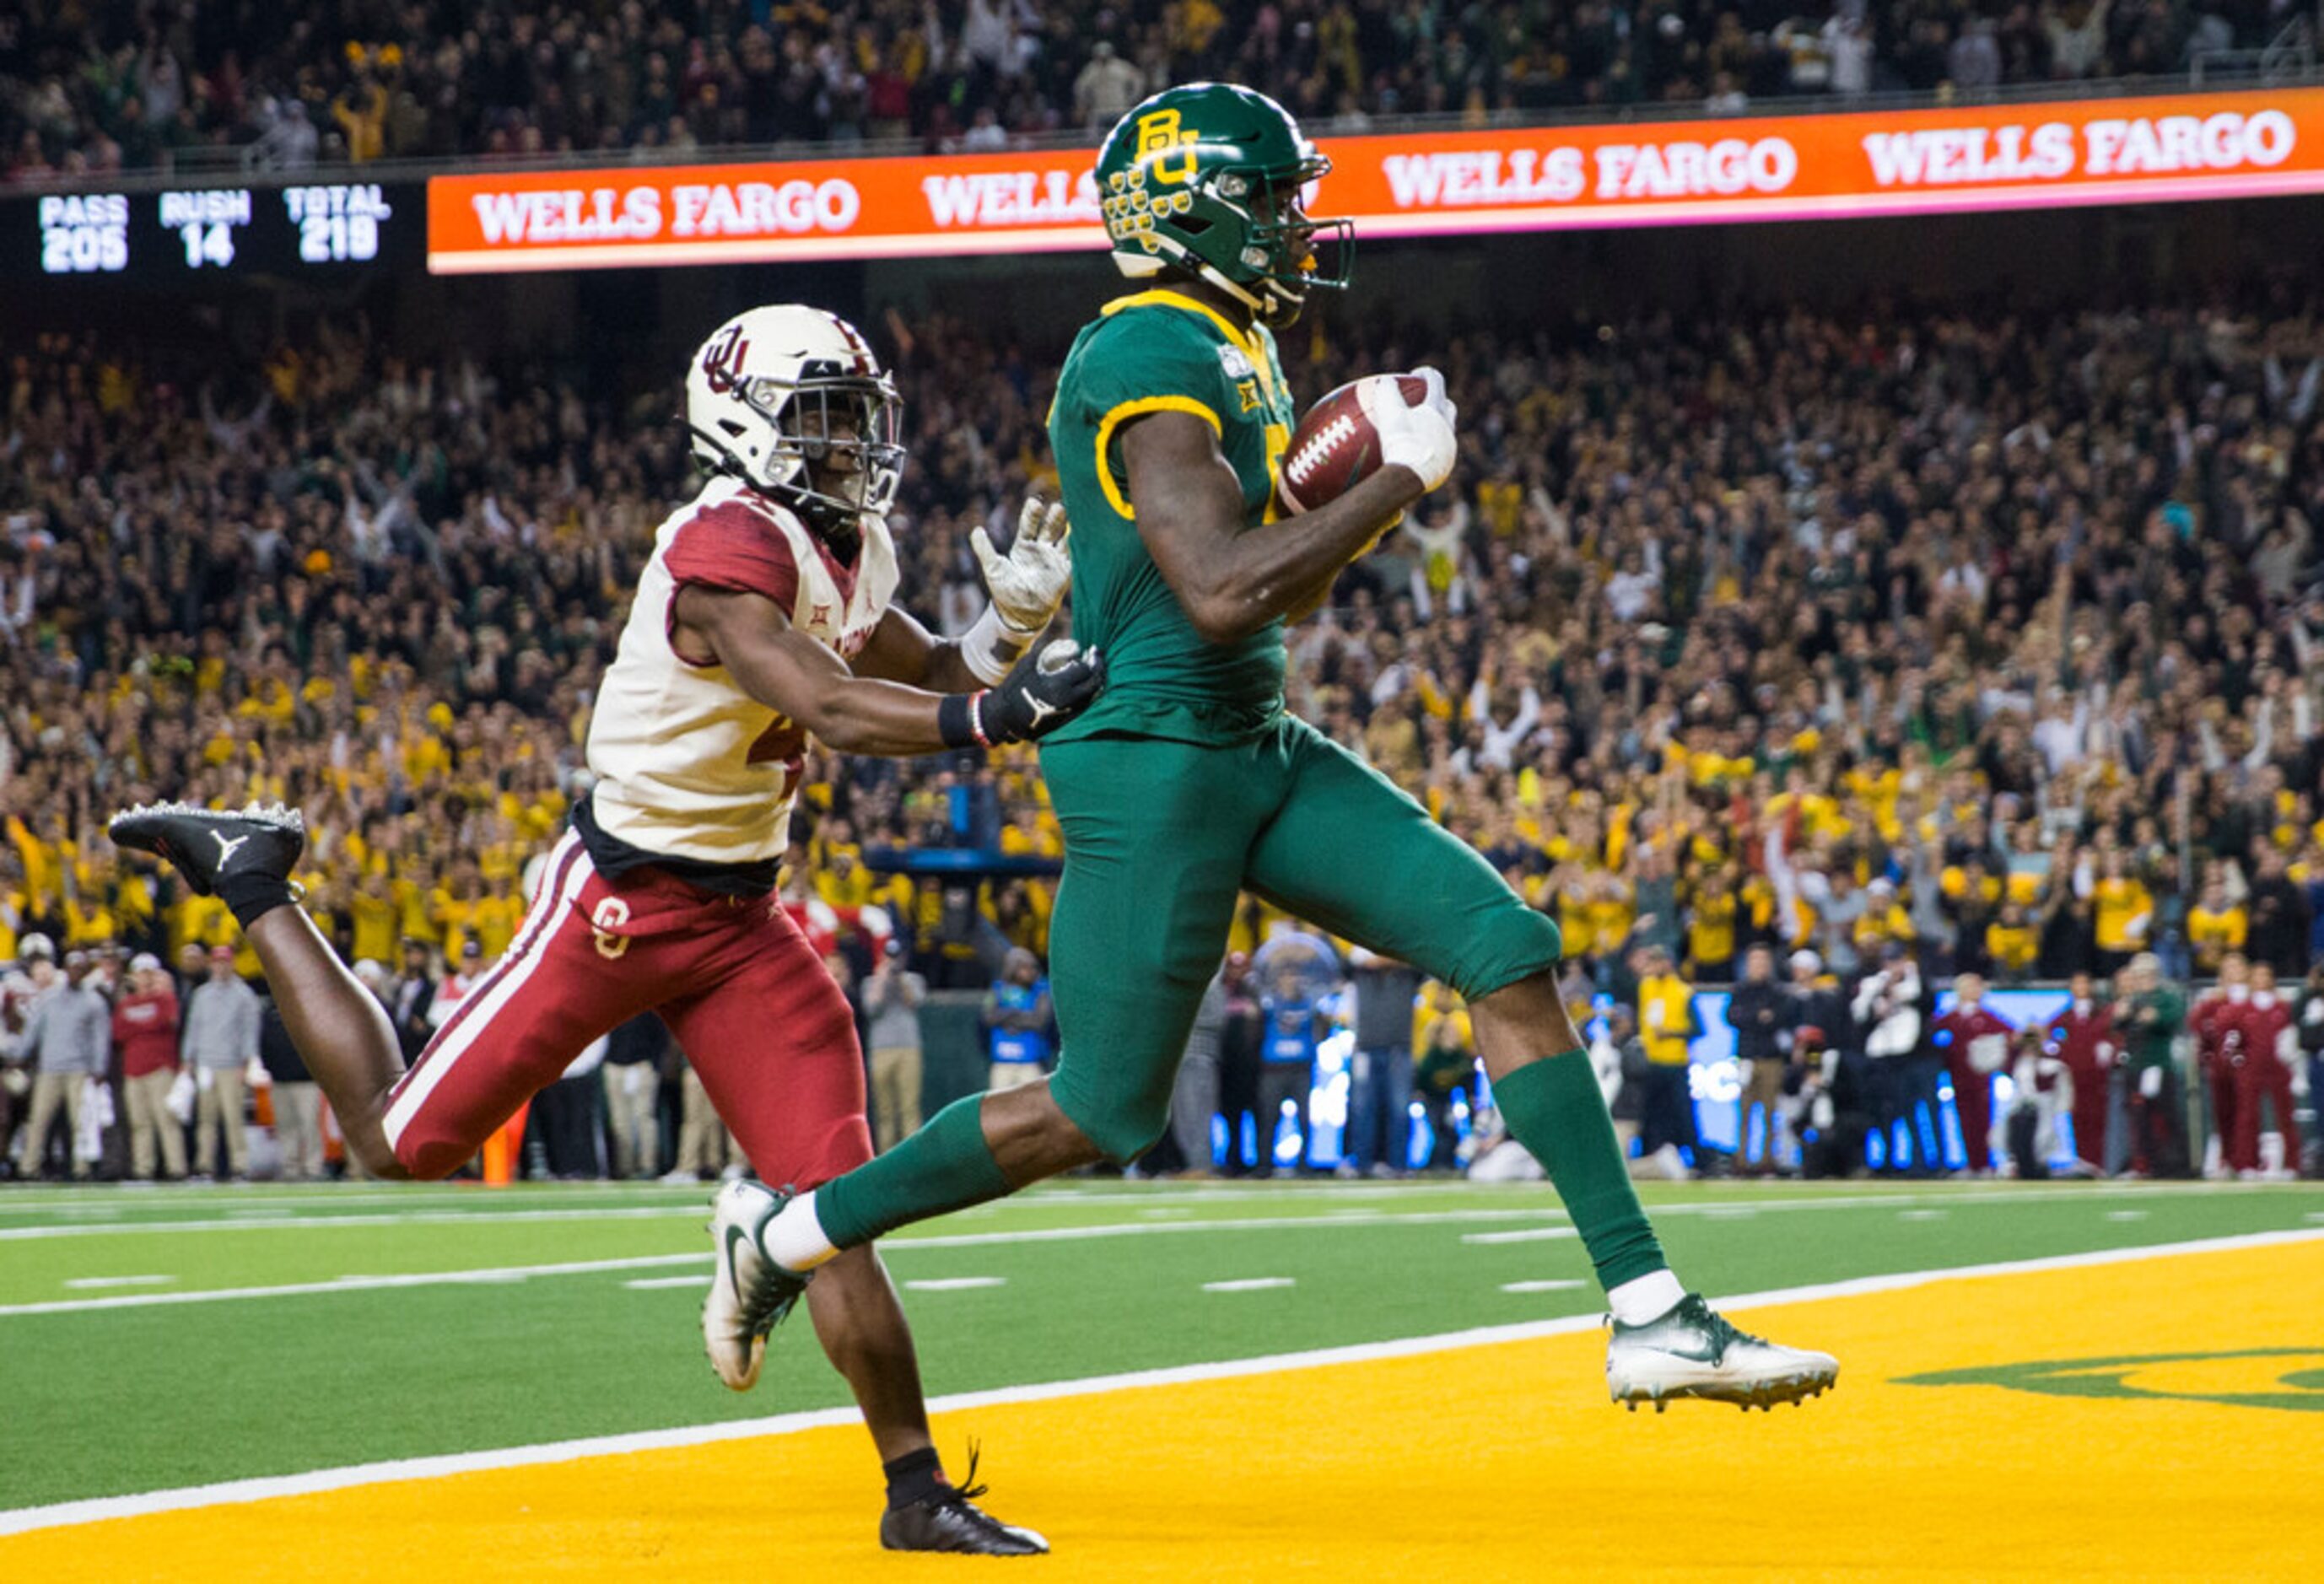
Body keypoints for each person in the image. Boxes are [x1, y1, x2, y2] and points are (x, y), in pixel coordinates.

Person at [739, 84, 1834, 1414]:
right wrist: (1391, 484)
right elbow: (1213, 586)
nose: (1293, 222)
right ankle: (788, 1230)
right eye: (1268, 199)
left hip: (1244, 734)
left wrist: (1339, 503)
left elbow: (1265, 588)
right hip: (1147, 755)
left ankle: (1647, 1312)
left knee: (1504, 950)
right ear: (1189, 209)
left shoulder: (1227, 338)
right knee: (1097, 1111)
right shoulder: (1147, 343)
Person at [110, 302, 1107, 1555]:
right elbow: (830, 703)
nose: (849, 442)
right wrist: (1003, 707)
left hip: (744, 917)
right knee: (400, 1143)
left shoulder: (847, 542)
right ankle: (256, 878)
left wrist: (1000, 641)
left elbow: (925, 670)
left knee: (834, 1200)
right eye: (820, 417)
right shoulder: (724, 539)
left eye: (855, 416)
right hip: (618, 906)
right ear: (743, 423)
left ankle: (915, 1491)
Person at [14, 949, 109, 1179]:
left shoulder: (94, 1001)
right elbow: (33, 1029)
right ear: (65, 970)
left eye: (80, 968)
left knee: (81, 1122)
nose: (75, 972)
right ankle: (28, 1167)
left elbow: (100, 1037)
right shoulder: (50, 998)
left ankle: (81, 1167)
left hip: (80, 1069)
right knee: (38, 1120)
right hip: (50, 1068)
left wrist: (98, 1068)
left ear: (85, 971)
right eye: (72, 967)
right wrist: (20, 1054)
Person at [182, 943, 261, 1181]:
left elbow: (249, 1031)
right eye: (217, 962)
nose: (221, 967)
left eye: (225, 962)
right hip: (206, 1064)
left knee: (233, 1118)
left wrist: (246, 1062)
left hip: (231, 1065)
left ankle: (240, 1166)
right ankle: (205, 1165)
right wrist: (188, 1060)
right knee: (206, 1120)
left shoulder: (244, 995)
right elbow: (193, 1029)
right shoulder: (202, 994)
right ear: (212, 964)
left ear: (232, 964)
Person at [1341, 946, 1421, 1178]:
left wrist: (1392, 961)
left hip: (1399, 1048)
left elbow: (1423, 965)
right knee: (1362, 1109)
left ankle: (1398, 1165)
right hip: (1366, 1047)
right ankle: (1362, 1163)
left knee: (1399, 1109)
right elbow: (1343, 965)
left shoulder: (1407, 974)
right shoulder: (1361, 972)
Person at [111, 951, 186, 1180]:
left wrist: (138, 1026)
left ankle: (176, 1168)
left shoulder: (165, 999)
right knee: (139, 1123)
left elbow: (167, 1022)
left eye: (149, 973)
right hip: (133, 1069)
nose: (145, 978)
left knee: (166, 1121)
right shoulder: (125, 1003)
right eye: (141, 973)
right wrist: (147, 1026)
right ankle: (143, 1168)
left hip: (160, 1067)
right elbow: (118, 1033)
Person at [2113, 953, 2187, 1177]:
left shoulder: (2166, 997)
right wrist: (2121, 1015)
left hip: (2159, 1065)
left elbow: (2174, 1016)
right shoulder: (2132, 999)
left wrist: (2156, 1016)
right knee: (2140, 1117)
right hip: (2136, 1065)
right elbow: (2118, 1025)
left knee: (2167, 1116)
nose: (2141, 980)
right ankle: (2147, 1163)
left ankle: (2178, 1163)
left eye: (2145, 975)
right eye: (2138, 975)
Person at [1933, 973, 2013, 1176]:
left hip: (1981, 1080)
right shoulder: (1950, 1019)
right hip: (1958, 1077)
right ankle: (1971, 1162)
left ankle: (1984, 1162)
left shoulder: (1986, 1017)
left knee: (1983, 1119)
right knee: (1965, 1121)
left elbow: (2010, 1034)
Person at [1727, 944, 1796, 1176]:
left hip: (1770, 1058)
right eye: (1755, 960)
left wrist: (1753, 1019)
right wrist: (1758, 1018)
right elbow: (1733, 1017)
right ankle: (1742, 1161)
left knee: (1769, 1112)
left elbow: (1780, 1018)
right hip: (1746, 1058)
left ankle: (1767, 1160)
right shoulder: (1741, 991)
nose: (1759, 965)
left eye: (1763, 960)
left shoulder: (1777, 992)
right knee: (1744, 1112)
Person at [2229, 961, 2298, 1179]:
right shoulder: (2242, 1010)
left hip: (2279, 1068)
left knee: (2285, 1116)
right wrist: (2239, 1061)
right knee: (2248, 1116)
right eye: (2257, 975)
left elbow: (2291, 1037)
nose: (2261, 980)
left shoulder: (2283, 1008)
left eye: (2265, 975)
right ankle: (2247, 1163)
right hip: (2251, 1069)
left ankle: (2291, 1164)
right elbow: (2234, 1040)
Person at [2043, 973, 2115, 1175]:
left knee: (2098, 1117)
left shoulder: (2102, 1013)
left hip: (2097, 1075)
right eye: (2077, 983)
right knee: (2078, 1117)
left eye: (2084, 983)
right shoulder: (2066, 1016)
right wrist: (2057, 1053)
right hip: (2074, 1076)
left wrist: (2109, 1049)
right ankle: (2083, 1158)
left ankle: (2100, 1159)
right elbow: (2047, 1034)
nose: (2081, 987)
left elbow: (2112, 1035)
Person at [860, 944, 926, 1152]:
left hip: (908, 1048)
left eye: (897, 956)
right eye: (889, 956)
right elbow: (872, 1007)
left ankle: (913, 1156)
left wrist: (900, 979)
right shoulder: (870, 982)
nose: (893, 961)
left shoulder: (914, 980)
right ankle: (886, 1157)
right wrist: (882, 976)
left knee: (909, 1107)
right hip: (881, 1050)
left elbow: (914, 1001)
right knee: (885, 1110)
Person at [258, 991, 326, 1182]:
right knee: (286, 1127)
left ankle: (313, 1167)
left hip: (306, 1080)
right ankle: (290, 1168)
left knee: (309, 1125)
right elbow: (262, 1041)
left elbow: (317, 1042)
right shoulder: (270, 1012)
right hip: (280, 1080)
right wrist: (270, 1068)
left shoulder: (307, 1009)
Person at [600, 1011, 667, 1180]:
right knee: (620, 1120)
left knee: (643, 1117)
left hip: (641, 1064)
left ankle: (648, 1166)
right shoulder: (610, 1005)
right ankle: (624, 1167)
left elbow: (660, 1036)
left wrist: (654, 1065)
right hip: (614, 1065)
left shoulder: (648, 1007)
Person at [981, 947, 1052, 1093]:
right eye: (1024, 967)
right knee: (999, 1103)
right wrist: (1016, 1014)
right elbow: (988, 1017)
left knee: (1033, 1104)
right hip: (1002, 1060)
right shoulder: (998, 989)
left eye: (1032, 967)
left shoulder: (1040, 991)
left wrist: (1007, 1017)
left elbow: (1039, 1021)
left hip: (1030, 1061)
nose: (1029, 972)